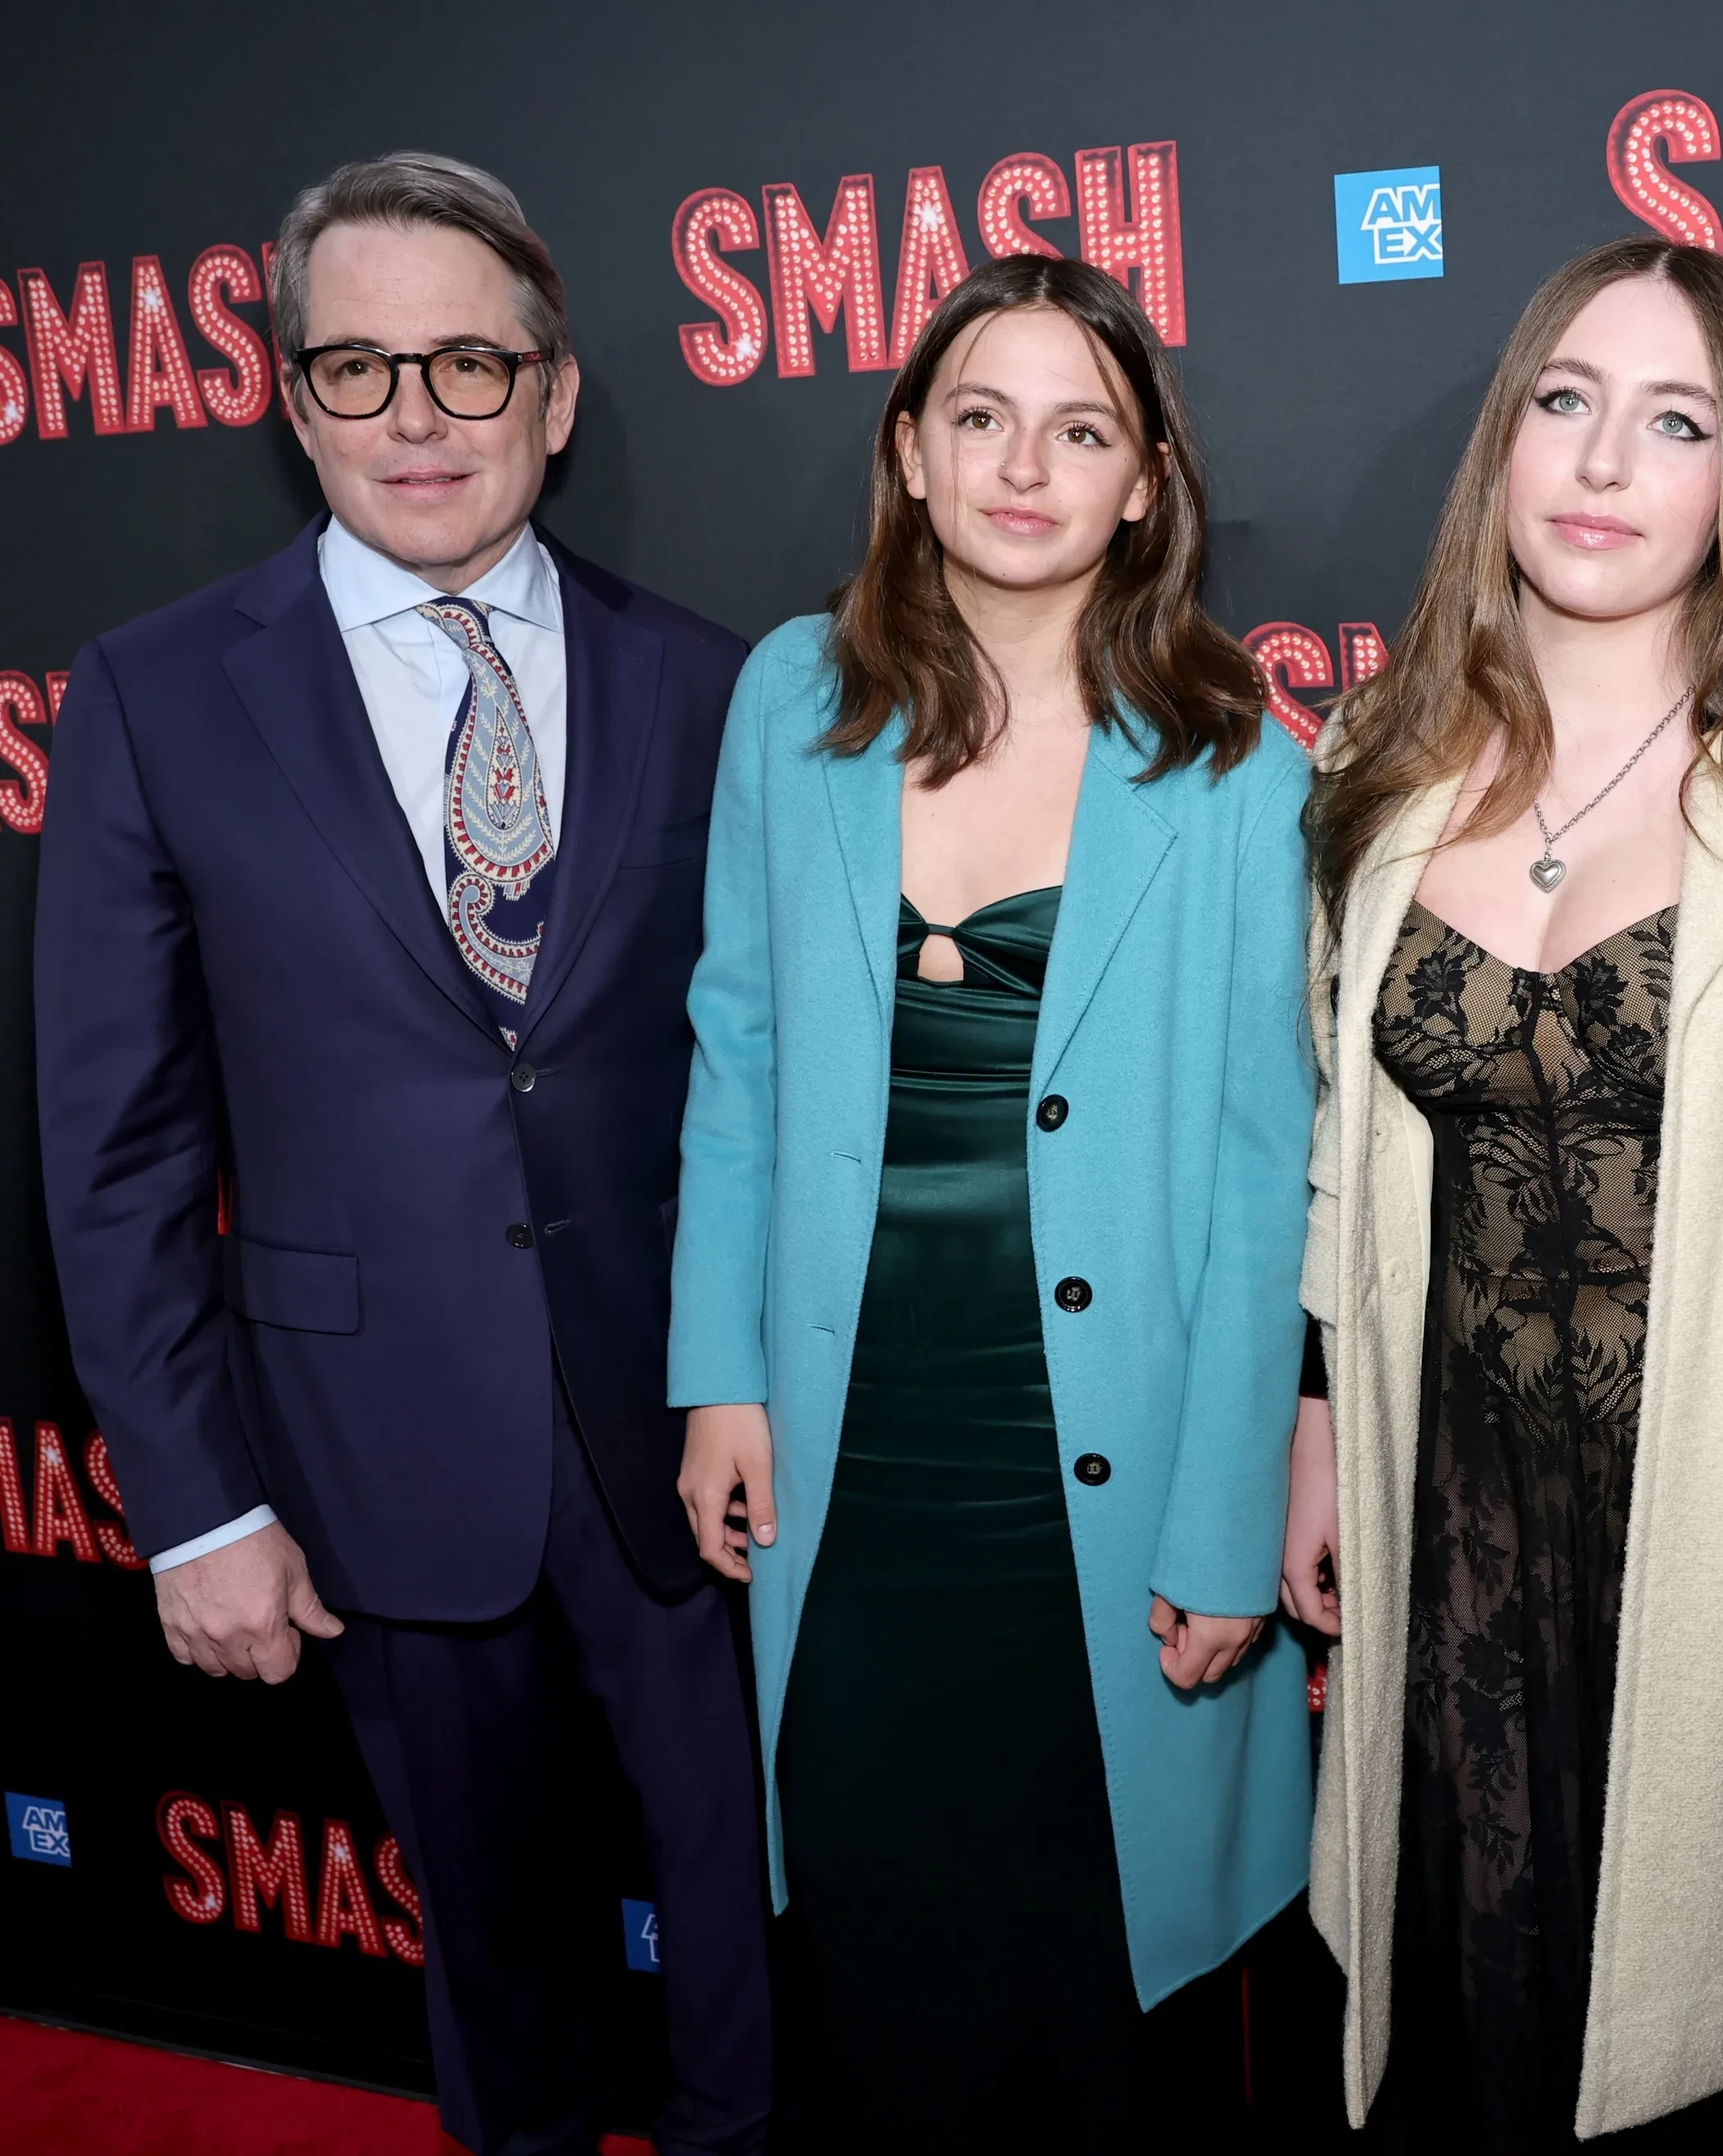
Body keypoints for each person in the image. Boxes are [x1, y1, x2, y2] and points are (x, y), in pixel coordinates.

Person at [34, 156, 769, 2154]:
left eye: (469, 363)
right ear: (293, 399)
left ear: (558, 391)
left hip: (696, 1445)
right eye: (357, 368)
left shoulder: (713, 683)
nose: (417, 416)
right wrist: (195, 1508)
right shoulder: (156, 695)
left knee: (752, 1955)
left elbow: (767, 1080)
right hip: (367, 1458)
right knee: (500, 1993)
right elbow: (115, 1149)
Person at [668, 253, 1314, 2149]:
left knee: (1100, 1989)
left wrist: (1226, 1522)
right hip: (847, 1459)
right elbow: (737, 1052)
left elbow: (1262, 1180)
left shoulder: (1235, 765)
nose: (1026, 468)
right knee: (879, 1972)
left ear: (1146, 481)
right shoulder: (790, 697)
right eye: (981, 417)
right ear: (910, 451)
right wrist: (718, 1372)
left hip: (1098, 1468)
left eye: (1081, 430)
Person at [1285, 236, 1723, 2151]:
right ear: (1507, 442)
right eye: (1567, 402)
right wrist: (1318, 1423)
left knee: (1690, 2056)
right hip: (1446, 1522)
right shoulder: (1376, 764)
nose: (1605, 463)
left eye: (1677, 422)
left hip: (1712, 1519)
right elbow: (1341, 1142)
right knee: (1459, 2034)